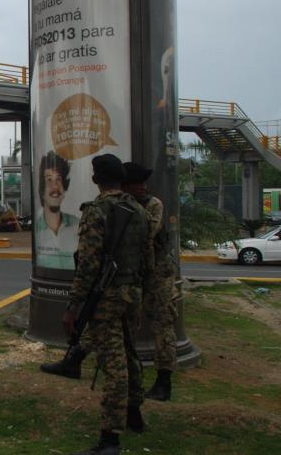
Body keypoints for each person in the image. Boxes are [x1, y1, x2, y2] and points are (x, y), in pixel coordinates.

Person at [54, 154, 151, 455]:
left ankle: (110, 438)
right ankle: (134, 414)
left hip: (106, 298)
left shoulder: (97, 211)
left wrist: (74, 306)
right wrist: (139, 299)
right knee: (131, 354)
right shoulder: (139, 210)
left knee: (114, 365)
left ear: (96, 180)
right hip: (131, 294)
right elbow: (148, 261)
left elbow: (87, 265)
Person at [123, 162, 177, 402]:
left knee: (162, 324)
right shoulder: (122, 204)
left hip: (158, 273)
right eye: (138, 183)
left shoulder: (152, 205)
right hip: (134, 272)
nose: (144, 187)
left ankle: (164, 380)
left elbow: (146, 231)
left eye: (144, 183)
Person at [36, 151, 80, 270]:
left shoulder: (78, 225)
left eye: (59, 179)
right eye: (49, 180)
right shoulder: (36, 230)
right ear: (41, 189)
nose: (55, 187)